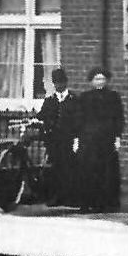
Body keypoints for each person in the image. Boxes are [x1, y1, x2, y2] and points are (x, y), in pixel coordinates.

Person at [77, 66, 124, 212]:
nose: (100, 82)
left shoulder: (113, 97)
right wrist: (77, 138)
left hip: (107, 140)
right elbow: (79, 119)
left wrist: (117, 137)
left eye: (102, 79)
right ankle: (87, 202)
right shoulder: (84, 98)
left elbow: (119, 118)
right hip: (89, 140)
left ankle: (106, 203)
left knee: (107, 172)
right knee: (89, 170)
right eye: (97, 79)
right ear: (91, 81)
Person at [37, 67, 81, 207]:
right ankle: (56, 197)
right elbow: (42, 116)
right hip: (54, 141)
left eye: (61, 82)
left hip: (70, 140)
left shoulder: (74, 99)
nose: (59, 86)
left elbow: (79, 120)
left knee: (70, 168)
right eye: (56, 83)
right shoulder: (50, 101)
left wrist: (77, 139)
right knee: (55, 169)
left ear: (66, 83)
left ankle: (71, 197)